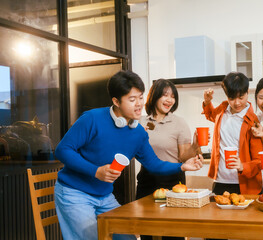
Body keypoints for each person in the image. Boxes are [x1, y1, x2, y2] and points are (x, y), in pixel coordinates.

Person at [54, 70, 203, 240]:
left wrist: (182, 166)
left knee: (128, 238)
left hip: (104, 196)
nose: (139, 104)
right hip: (75, 192)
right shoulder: (92, 119)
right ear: (116, 101)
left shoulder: (138, 132)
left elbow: (154, 164)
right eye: (132, 100)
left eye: (140, 97)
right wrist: (96, 171)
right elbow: (62, 150)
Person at [136, 79, 201, 240]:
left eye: (173, 96)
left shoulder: (179, 123)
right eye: (165, 95)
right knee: (145, 230)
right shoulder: (141, 122)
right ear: (155, 96)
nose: (169, 100)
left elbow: (183, 156)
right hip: (147, 181)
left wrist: (194, 147)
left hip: (173, 182)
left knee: (173, 232)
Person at [202, 72, 263, 195]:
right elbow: (211, 116)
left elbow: (259, 161)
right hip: (220, 181)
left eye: (241, 97)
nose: (236, 103)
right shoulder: (223, 109)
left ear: (248, 92)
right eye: (231, 98)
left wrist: (242, 166)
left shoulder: (253, 122)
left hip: (245, 185)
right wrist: (207, 102)